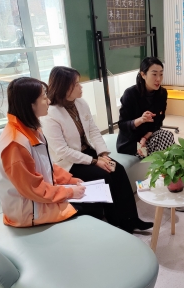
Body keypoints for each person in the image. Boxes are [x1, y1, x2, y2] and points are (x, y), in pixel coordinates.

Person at [41, 66, 152, 233]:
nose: (81, 86)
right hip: (68, 162)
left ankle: (131, 219)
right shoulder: (51, 114)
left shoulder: (80, 103)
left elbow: (93, 130)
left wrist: (103, 154)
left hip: (88, 152)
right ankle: (116, 223)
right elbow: (62, 150)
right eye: (76, 84)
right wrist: (94, 162)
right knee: (103, 176)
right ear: (64, 87)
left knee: (118, 170)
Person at [0, 77, 102, 227]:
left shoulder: (30, 129)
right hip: (30, 211)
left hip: (41, 198)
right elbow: (33, 189)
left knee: (94, 199)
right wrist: (69, 192)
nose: (49, 101)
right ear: (30, 104)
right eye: (44, 98)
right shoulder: (15, 144)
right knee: (92, 207)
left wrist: (70, 180)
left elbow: (47, 165)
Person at [117, 57, 175, 158]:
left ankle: (168, 166)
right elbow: (122, 125)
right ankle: (166, 167)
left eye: (161, 74)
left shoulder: (162, 93)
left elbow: (157, 123)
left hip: (147, 137)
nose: (158, 79)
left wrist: (145, 138)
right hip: (130, 142)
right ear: (143, 74)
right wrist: (141, 120)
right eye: (154, 74)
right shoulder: (130, 94)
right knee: (161, 151)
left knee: (167, 136)